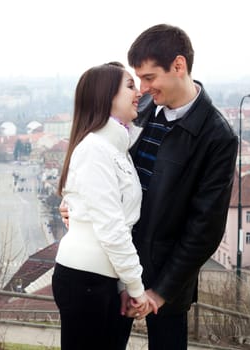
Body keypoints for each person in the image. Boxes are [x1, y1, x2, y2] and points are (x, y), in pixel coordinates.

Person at [60, 24, 238, 350]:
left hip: (166, 279)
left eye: (149, 77)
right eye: (137, 79)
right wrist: (78, 203)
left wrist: (160, 291)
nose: (142, 88)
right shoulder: (137, 110)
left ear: (179, 66)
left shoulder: (217, 136)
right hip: (114, 265)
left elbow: (205, 228)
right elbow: (99, 167)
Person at [52, 61, 158, 349]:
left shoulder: (115, 148)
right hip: (84, 279)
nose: (139, 92)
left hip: (104, 280)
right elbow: (112, 229)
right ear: (106, 96)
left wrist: (125, 285)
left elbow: (120, 223)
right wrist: (136, 288)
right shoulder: (94, 150)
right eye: (130, 86)